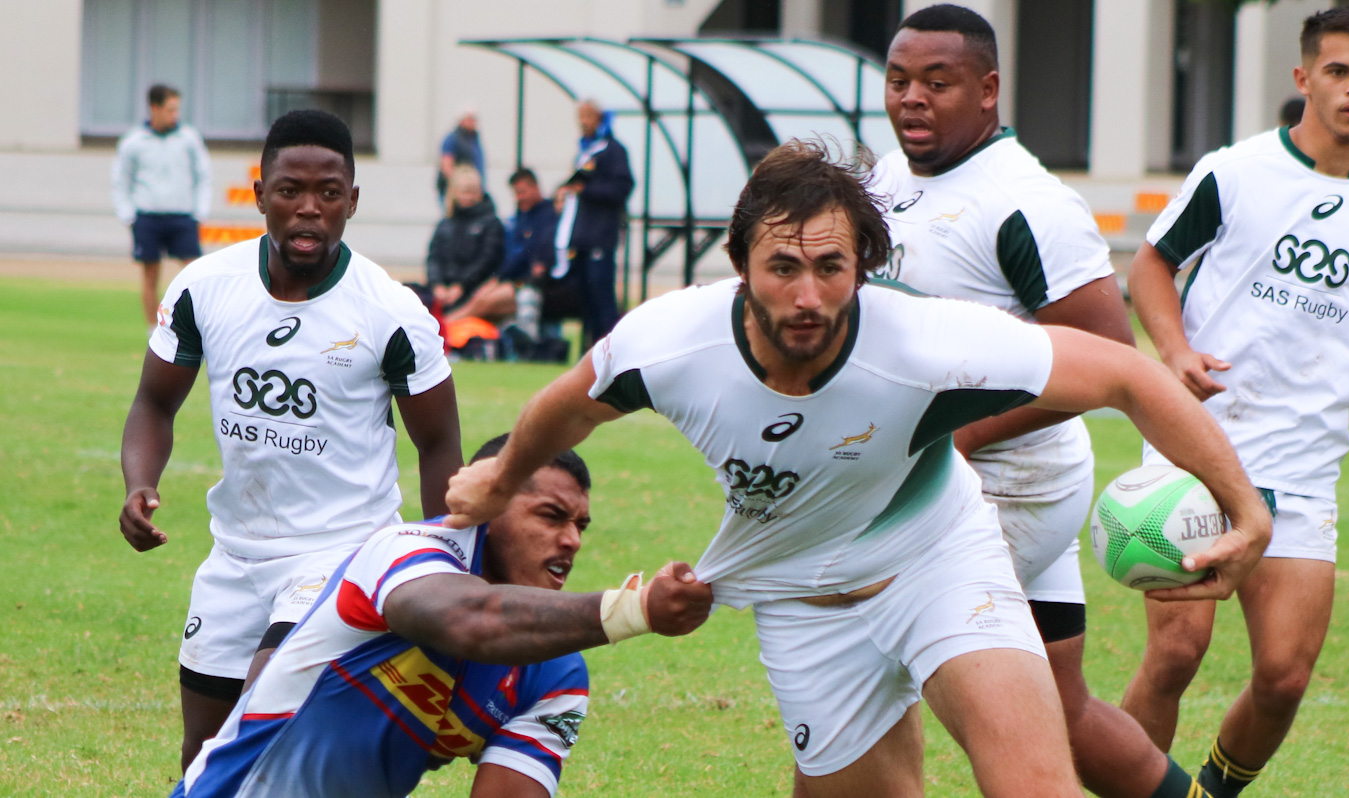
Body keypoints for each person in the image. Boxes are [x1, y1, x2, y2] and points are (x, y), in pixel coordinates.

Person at [444, 138, 1274, 798]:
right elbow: (569, 403)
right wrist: (502, 477)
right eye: (783, 267)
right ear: (740, 264)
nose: (808, 295)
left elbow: (1125, 374)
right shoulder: (669, 343)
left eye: (831, 267)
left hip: (938, 563)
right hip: (806, 606)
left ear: (864, 267)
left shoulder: (924, 341)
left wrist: (1246, 510)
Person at [1121, 10, 1349, 797]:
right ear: (1304, 77)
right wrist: (1175, 352)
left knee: (1283, 678)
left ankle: (1207, 792)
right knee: (1175, 654)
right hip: (1198, 441)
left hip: (1304, 462)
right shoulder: (1234, 173)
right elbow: (1150, 268)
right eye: (1338, 71)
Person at [871, 6, 1207, 797]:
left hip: (1003, 486)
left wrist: (960, 437)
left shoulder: (1026, 202)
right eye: (899, 80)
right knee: (1065, 709)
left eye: (937, 82)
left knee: (868, 676)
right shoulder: (889, 176)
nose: (912, 98)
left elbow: (1107, 353)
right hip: (997, 477)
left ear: (988, 90)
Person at [118, 109, 464, 771]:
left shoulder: (392, 313)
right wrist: (140, 484)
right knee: (204, 753)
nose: (309, 208)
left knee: (263, 727)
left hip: (343, 555)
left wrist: (446, 563)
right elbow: (154, 403)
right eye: (290, 191)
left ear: (352, 201)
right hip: (235, 554)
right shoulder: (204, 288)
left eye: (328, 193)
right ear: (259, 196)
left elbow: (440, 445)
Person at [173, 437, 713, 798]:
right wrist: (633, 609)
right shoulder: (405, 553)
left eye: (580, 526)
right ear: (490, 506)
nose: (571, 540)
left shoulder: (557, 674)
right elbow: (471, 621)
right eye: (551, 516)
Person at [113, 84, 213, 329]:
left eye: (177, 110)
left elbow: (203, 176)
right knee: (150, 276)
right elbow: (121, 181)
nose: (175, 115)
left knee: (195, 274)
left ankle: (199, 327)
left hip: (182, 217)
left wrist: (200, 212)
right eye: (170, 110)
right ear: (154, 108)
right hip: (147, 217)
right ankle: (153, 332)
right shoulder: (134, 141)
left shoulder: (188, 138)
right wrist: (128, 216)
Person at [552, 99, 634, 345]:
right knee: (585, 300)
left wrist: (586, 190)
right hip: (582, 239)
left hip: (600, 237)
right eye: (580, 117)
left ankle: (611, 349)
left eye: (587, 116)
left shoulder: (613, 150)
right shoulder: (585, 150)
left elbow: (622, 188)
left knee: (602, 298)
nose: (583, 122)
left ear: (598, 118)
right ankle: (588, 352)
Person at [446, 168, 559, 330]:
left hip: (528, 284)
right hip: (512, 280)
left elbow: (526, 255)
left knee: (483, 302)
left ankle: (446, 325)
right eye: (516, 193)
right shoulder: (521, 216)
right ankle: (449, 326)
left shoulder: (547, 215)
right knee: (481, 299)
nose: (519, 198)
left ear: (535, 187)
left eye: (522, 192)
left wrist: (499, 279)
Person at [428, 164, 506, 314]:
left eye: (472, 192)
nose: (468, 197)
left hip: (473, 289)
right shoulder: (445, 224)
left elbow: (487, 260)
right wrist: (436, 285)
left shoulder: (491, 223)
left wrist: (462, 286)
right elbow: (434, 258)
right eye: (464, 192)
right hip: (443, 289)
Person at [437, 108, 486, 205]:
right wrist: (458, 185)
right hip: (458, 190)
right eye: (470, 119)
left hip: (472, 188)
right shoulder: (453, 139)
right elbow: (447, 165)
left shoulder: (472, 138)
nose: (473, 122)